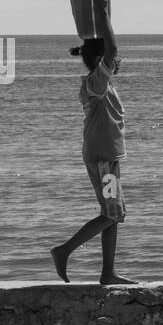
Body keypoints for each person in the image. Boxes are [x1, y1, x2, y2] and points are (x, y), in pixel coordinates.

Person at [50, 21, 135, 285]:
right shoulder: (96, 83)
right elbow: (112, 50)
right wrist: (101, 13)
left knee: (113, 214)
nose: (117, 61)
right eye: (113, 59)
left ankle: (107, 273)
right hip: (102, 159)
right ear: (101, 60)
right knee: (112, 213)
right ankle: (64, 251)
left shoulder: (102, 84)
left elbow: (110, 52)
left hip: (107, 157)